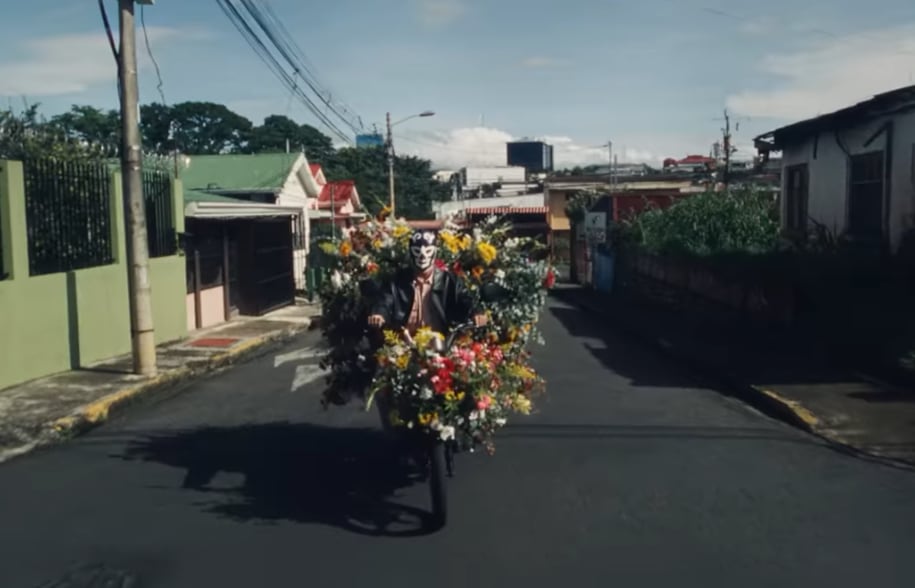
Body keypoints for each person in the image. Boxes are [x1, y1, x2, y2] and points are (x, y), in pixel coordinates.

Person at [366, 229, 488, 435]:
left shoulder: (449, 281)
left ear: (435, 252)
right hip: (404, 344)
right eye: (417, 251)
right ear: (410, 253)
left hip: (442, 344)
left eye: (428, 250)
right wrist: (379, 314)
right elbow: (385, 301)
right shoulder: (398, 282)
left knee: (469, 378)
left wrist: (476, 312)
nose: (422, 256)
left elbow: (465, 298)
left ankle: (465, 426)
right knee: (382, 383)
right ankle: (393, 429)